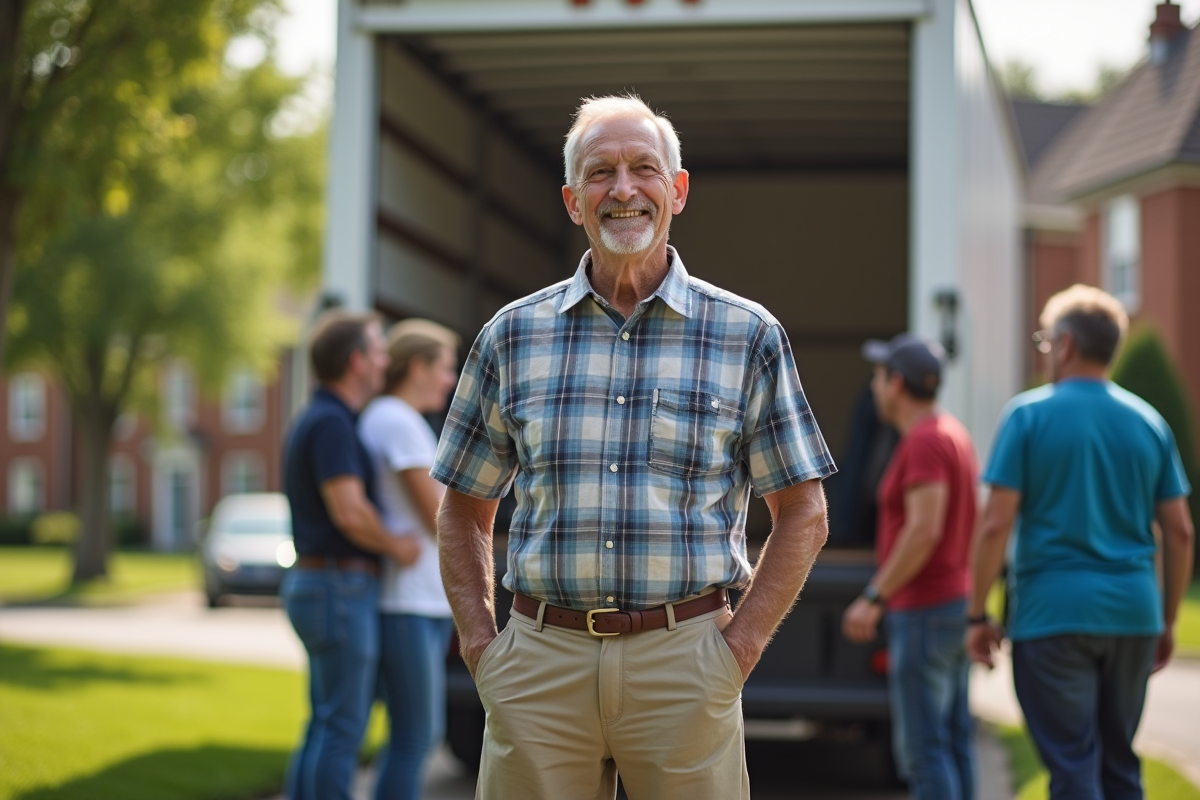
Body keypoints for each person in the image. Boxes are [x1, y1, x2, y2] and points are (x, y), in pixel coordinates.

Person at [429, 94, 837, 800]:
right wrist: (481, 646)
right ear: (570, 199)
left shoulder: (746, 335)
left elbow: (804, 511)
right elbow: (463, 509)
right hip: (538, 662)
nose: (623, 190)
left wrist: (735, 651)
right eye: (600, 173)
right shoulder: (510, 336)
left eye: (644, 169)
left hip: (687, 660)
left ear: (676, 191)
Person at [967, 285, 1195, 800]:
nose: (1045, 352)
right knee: (1120, 766)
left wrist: (977, 614)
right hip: (1134, 617)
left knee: (1073, 769)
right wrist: (1167, 617)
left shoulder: (1027, 416)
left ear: (1065, 346)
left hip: (1053, 617)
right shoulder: (1149, 422)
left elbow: (994, 526)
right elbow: (1179, 530)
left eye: (1046, 342)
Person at [280, 310, 420, 800]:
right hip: (339, 587)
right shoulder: (333, 423)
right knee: (342, 728)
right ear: (358, 362)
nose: (386, 360)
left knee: (324, 723)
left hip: (322, 585)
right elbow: (350, 511)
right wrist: (398, 545)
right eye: (379, 350)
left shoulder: (320, 417)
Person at [842, 334, 978, 800]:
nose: (875, 387)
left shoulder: (925, 443)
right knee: (954, 742)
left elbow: (924, 530)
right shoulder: (950, 434)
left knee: (924, 752)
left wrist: (874, 597)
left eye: (879, 377)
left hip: (924, 611)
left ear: (896, 384)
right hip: (951, 607)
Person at [358, 319, 462, 800]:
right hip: (407, 602)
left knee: (414, 734)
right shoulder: (395, 419)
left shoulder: (402, 420)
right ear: (417, 367)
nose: (449, 380)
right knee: (416, 736)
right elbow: (437, 516)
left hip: (420, 600)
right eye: (444, 367)